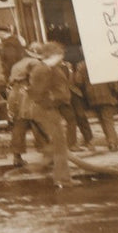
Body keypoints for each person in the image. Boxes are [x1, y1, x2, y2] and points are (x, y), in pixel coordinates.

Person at [27, 42, 75, 187]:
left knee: (57, 143)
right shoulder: (43, 70)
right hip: (45, 110)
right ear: (52, 55)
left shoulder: (44, 68)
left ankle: (53, 171)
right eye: (59, 56)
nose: (60, 59)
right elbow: (37, 93)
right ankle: (62, 179)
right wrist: (54, 100)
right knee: (59, 144)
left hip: (44, 110)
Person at [6, 42, 50, 167]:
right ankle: (49, 153)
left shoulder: (18, 64)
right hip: (27, 96)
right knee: (41, 124)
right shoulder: (35, 63)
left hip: (15, 96)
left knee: (19, 127)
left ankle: (16, 157)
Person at [78, 60, 118, 152]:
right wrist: (115, 93)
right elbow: (113, 83)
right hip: (107, 96)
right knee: (108, 121)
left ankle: (110, 141)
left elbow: (79, 82)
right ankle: (112, 143)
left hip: (92, 97)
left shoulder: (81, 65)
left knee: (102, 120)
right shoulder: (104, 62)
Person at [61, 51, 94, 151]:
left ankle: (89, 141)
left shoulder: (68, 65)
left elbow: (75, 79)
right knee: (71, 119)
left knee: (81, 116)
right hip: (64, 95)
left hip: (74, 93)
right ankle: (72, 143)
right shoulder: (52, 68)